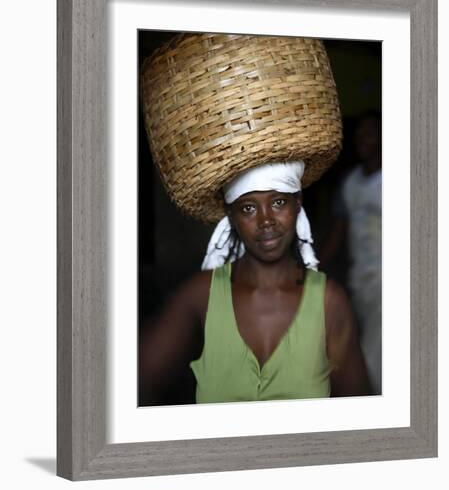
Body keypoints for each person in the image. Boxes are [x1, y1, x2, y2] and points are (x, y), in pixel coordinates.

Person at [139, 162, 372, 404]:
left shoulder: (328, 303)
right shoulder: (202, 295)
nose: (266, 220)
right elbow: (134, 383)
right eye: (248, 208)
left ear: (298, 203)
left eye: (278, 202)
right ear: (231, 216)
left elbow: (362, 415)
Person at [319, 112, 382, 394]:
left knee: (375, 350)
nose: (362, 141)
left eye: (370, 134)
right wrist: (313, 267)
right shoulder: (350, 183)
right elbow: (337, 234)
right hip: (361, 281)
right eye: (359, 135)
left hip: (391, 280)